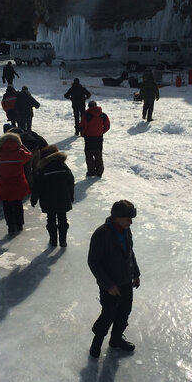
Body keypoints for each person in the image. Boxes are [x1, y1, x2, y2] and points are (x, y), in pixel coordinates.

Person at [88, 200, 141, 358]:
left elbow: (130, 253)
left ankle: (116, 340)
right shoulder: (101, 234)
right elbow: (93, 262)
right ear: (117, 217)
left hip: (126, 281)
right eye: (128, 218)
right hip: (110, 285)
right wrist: (108, 284)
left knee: (124, 312)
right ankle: (96, 343)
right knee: (108, 314)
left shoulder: (126, 230)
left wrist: (136, 273)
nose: (131, 222)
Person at [30, 145, 75, 247]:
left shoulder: (43, 169)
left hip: (48, 199)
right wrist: (71, 195)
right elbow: (71, 180)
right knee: (63, 218)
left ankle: (53, 241)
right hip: (63, 198)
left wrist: (34, 199)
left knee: (50, 220)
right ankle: (63, 241)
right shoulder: (63, 166)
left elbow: (38, 186)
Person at [0, 132, 32, 234]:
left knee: (7, 206)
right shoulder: (20, 153)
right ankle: (19, 224)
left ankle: (11, 226)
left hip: (4, 184)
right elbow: (29, 155)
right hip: (18, 183)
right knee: (17, 204)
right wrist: (22, 146)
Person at [80, 100, 110, 177]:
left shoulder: (86, 115)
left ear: (89, 107)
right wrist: (101, 132)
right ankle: (99, 171)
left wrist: (83, 134)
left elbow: (83, 126)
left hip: (89, 138)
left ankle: (91, 171)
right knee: (98, 154)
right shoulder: (103, 115)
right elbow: (107, 126)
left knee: (89, 155)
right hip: (99, 138)